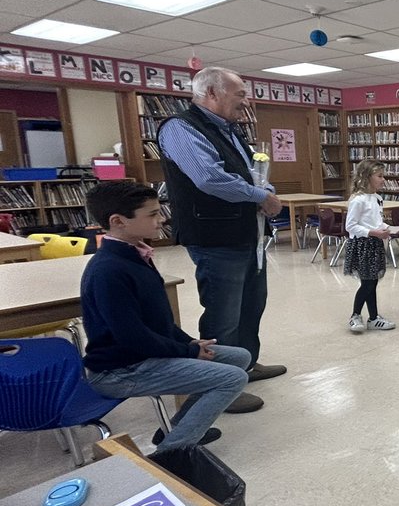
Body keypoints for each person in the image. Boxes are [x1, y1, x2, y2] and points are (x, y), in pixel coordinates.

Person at [80, 182, 249, 450]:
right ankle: (172, 453)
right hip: (121, 370)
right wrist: (187, 351)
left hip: (143, 356)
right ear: (118, 221)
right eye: (152, 214)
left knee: (240, 357)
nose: (162, 220)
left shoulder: (135, 255)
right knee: (232, 378)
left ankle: (175, 431)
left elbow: (159, 320)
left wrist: (190, 343)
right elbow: (132, 337)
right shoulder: (109, 270)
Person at [158, 66, 285, 415]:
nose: (245, 102)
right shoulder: (181, 128)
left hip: (248, 235)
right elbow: (209, 178)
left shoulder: (229, 130)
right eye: (239, 94)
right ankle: (218, 383)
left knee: (251, 306)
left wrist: (265, 189)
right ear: (211, 93)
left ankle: (244, 364)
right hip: (215, 238)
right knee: (222, 315)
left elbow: (251, 173)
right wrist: (261, 196)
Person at [343, 159, 399, 333]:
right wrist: (374, 233)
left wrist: (390, 229)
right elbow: (351, 226)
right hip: (362, 245)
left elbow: (376, 222)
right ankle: (355, 315)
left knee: (373, 282)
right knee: (367, 284)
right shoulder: (357, 200)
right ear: (366, 177)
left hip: (375, 244)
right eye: (379, 176)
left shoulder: (377, 198)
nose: (383, 179)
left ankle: (374, 317)